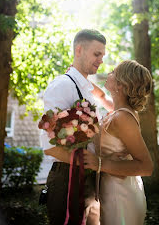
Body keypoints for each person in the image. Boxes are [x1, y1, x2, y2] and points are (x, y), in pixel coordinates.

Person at [41, 29, 113, 225]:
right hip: (68, 179)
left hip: (92, 181)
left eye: (102, 55)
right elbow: (49, 145)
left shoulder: (88, 90)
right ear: (79, 50)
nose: (101, 60)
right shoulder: (62, 86)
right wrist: (91, 162)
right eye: (97, 54)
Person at [83, 60, 154, 225]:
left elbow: (146, 167)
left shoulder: (123, 117)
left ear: (121, 84)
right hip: (110, 189)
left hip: (121, 196)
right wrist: (80, 78)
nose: (109, 74)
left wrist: (99, 163)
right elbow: (100, 96)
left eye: (114, 72)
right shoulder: (117, 111)